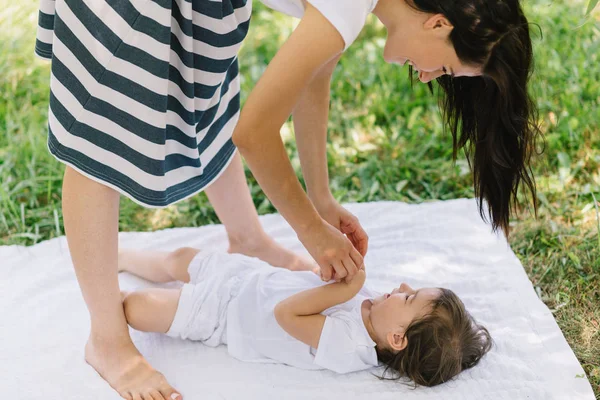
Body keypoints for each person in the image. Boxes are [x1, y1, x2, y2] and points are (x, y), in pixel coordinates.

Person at [34, 0, 537, 397]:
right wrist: (311, 232)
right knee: (101, 135)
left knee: (203, 102)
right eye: (446, 70)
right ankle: (107, 337)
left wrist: (320, 201)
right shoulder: (351, 5)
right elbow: (254, 133)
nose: (427, 77)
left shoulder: (353, 11)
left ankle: (246, 237)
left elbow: (313, 82)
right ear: (439, 23)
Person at [119, 247, 492, 388]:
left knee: (141, 309)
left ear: (397, 338)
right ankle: (120, 256)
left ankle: (110, 299)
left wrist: (344, 290)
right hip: (248, 277)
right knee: (182, 258)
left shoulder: (348, 347)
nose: (403, 284)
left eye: (409, 296)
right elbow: (309, 284)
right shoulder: (375, 309)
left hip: (225, 316)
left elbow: (287, 314)